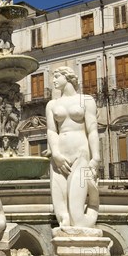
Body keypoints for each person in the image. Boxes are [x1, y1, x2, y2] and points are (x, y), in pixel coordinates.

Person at [46, 67, 100, 228]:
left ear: (67, 77)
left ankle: (94, 203)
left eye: (56, 76)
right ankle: (65, 245)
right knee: (63, 217)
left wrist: (96, 157)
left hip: (81, 155)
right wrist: (55, 153)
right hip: (58, 158)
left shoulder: (86, 100)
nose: (53, 80)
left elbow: (92, 130)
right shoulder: (52, 104)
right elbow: (51, 131)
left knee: (77, 217)